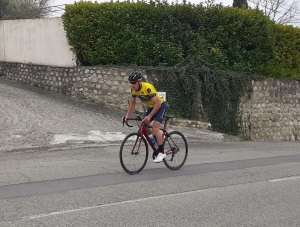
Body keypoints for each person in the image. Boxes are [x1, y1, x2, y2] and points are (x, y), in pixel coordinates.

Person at [124, 71, 167, 163]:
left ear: (139, 82)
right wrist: (127, 116)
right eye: (130, 82)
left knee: (155, 128)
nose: (132, 84)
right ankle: (156, 141)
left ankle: (161, 152)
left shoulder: (147, 88)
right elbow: (132, 103)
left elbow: (158, 104)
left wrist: (150, 116)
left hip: (160, 106)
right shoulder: (134, 90)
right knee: (144, 125)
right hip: (151, 107)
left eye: (134, 82)